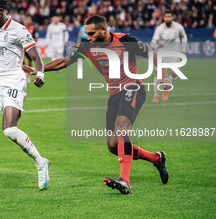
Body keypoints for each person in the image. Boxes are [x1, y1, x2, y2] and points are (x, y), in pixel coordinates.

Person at [28, 15, 169, 194]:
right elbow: (64, 61)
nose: (89, 37)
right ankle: (156, 159)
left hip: (133, 89)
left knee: (121, 129)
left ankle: (124, 180)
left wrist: (163, 75)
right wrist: (38, 69)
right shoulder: (88, 46)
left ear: (104, 30)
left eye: (92, 33)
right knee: (112, 146)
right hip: (114, 95)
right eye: (87, 34)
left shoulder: (125, 40)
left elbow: (152, 55)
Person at [0, 0, 49, 192]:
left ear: (2, 11)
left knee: (9, 130)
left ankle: (41, 162)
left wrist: (39, 74)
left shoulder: (19, 30)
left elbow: (36, 58)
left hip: (15, 81)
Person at [151, 11, 187, 102]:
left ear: (172, 17)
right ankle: (156, 95)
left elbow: (184, 37)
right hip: (162, 54)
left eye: (169, 16)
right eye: (166, 17)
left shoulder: (179, 27)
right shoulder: (159, 29)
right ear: (164, 18)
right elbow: (153, 42)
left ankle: (167, 88)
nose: (168, 18)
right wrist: (156, 46)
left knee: (174, 73)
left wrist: (183, 50)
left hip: (174, 53)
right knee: (159, 75)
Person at [23, 16, 39, 83]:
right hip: (23, 47)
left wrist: (30, 40)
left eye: (28, 20)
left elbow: (36, 38)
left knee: (29, 62)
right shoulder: (22, 28)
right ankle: (24, 74)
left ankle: (28, 75)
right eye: (26, 20)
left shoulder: (33, 29)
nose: (27, 21)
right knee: (22, 60)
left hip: (30, 47)